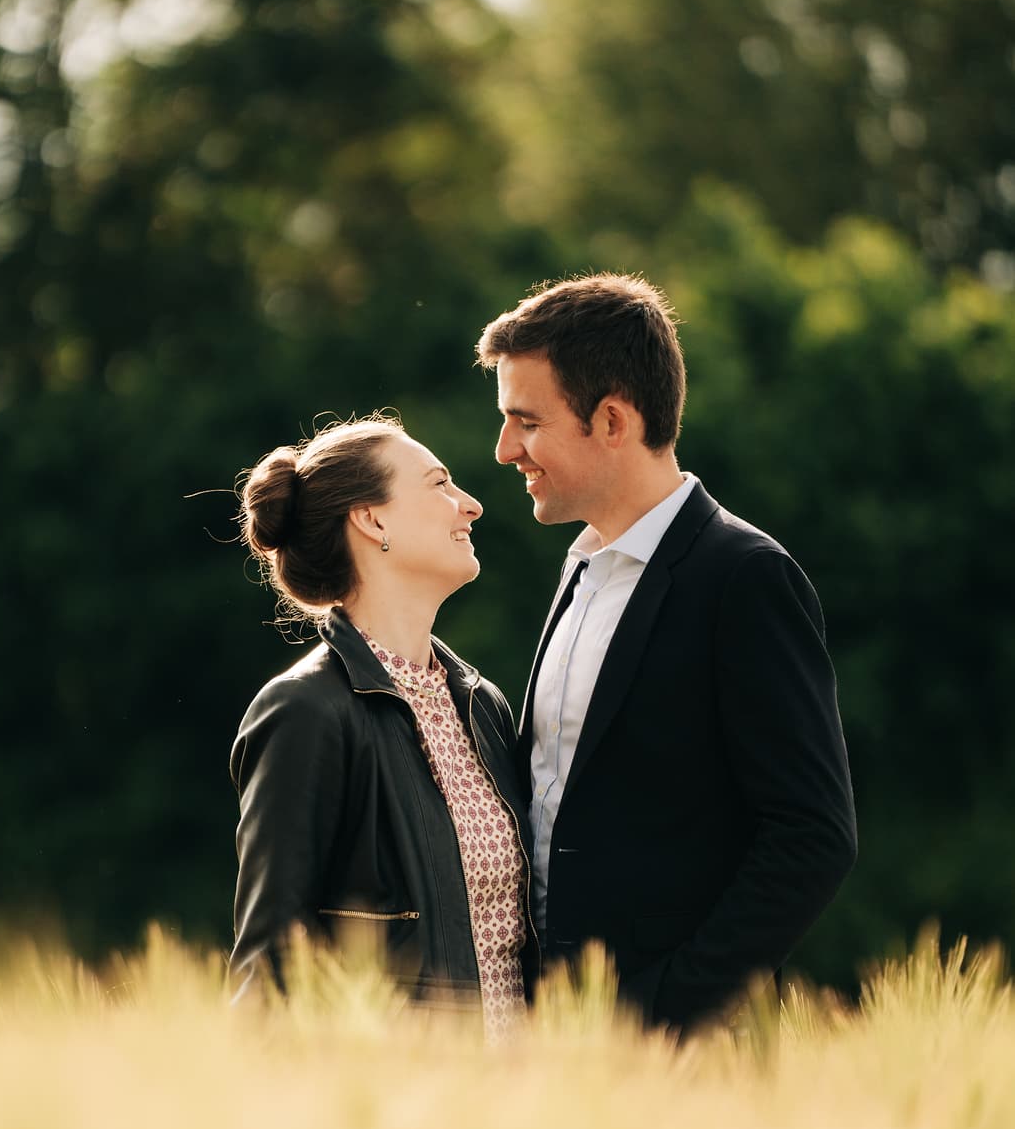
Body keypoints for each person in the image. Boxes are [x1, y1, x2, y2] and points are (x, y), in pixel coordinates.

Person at [476, 272, 857, 1035]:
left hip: (682, 1048)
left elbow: (813, 836)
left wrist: (663, 1011)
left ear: (612, 420)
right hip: (548, 1033)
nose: (504, 449)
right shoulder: (578, 570)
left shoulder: (743, 576)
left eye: (526, 421)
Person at [229, 416, 539, 1037]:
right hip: (398, 1102)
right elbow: (270, 964)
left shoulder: (484, 706)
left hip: (517, 1105)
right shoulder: (305, 711)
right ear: (373, 521)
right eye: (439, 484)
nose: (471, 505)